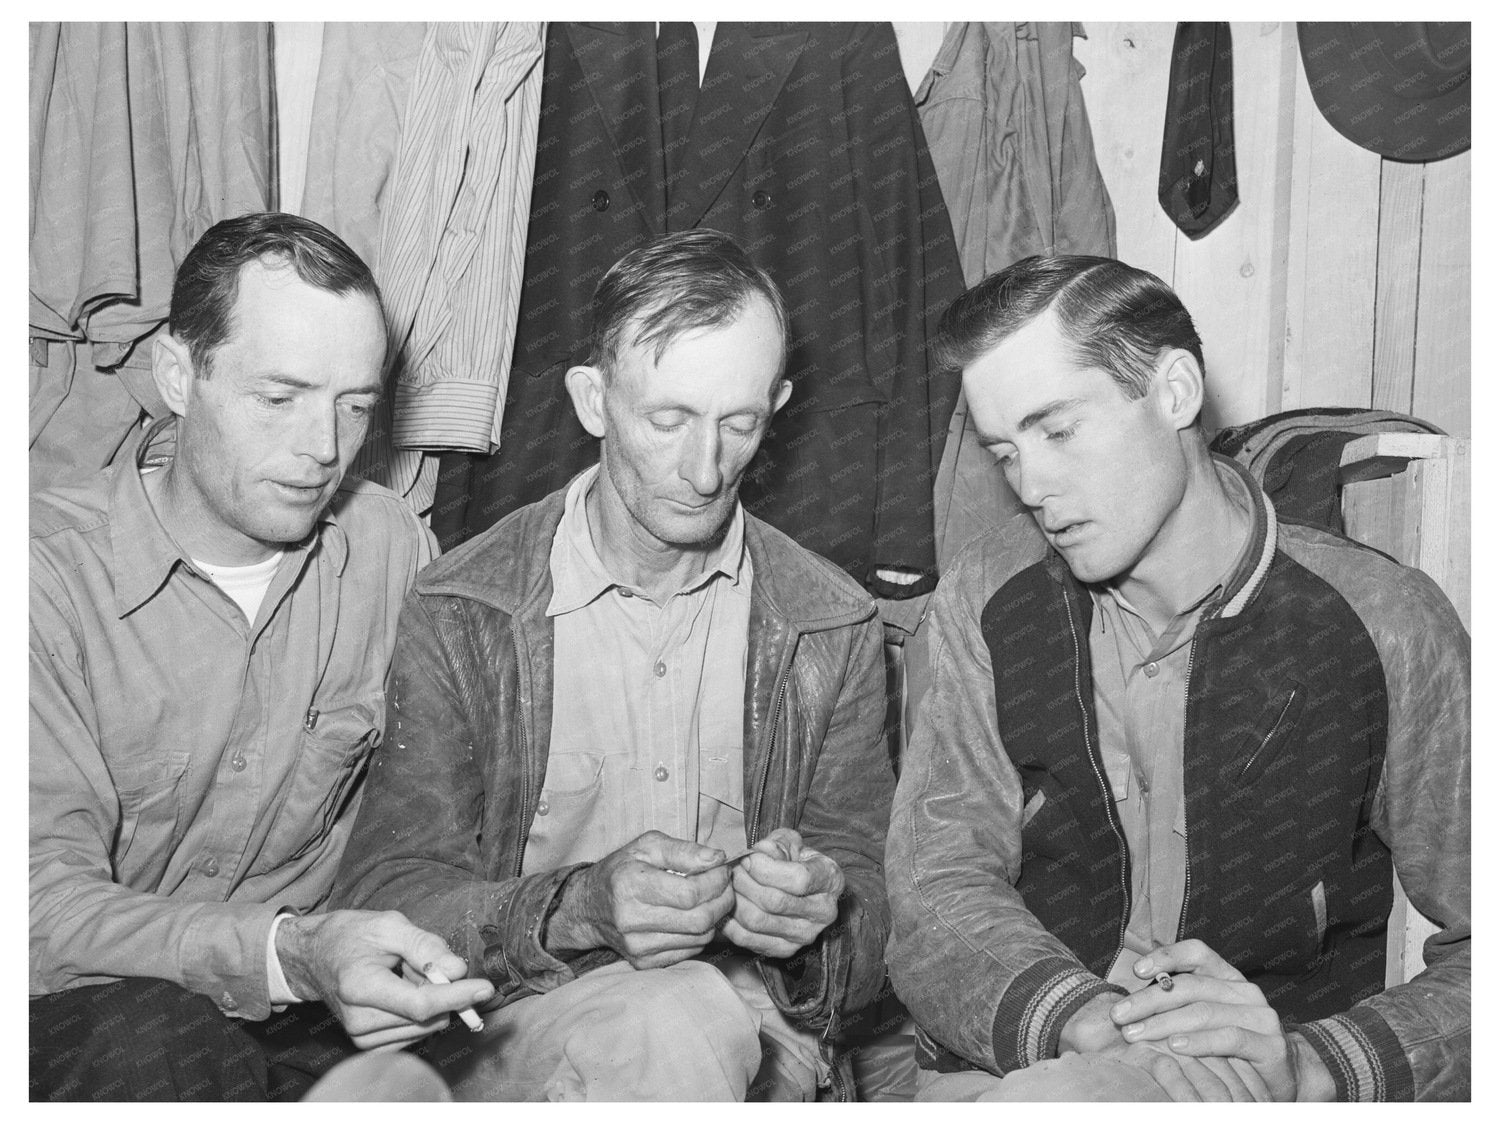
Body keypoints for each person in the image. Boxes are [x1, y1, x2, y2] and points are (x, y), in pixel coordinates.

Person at [885, 255, 1469, 1102]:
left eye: (1059, 431)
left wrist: (1317, 1065)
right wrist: (1090, 1022)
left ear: (1175, 391)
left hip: (1269, 1067)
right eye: (1005, 452)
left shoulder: (1388, 623)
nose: (1033, 488)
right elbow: (934, 887)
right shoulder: (985, 595)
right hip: (1020, 1055)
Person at [332, 229, 893, 1101]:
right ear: (593, 401)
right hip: (526, 1032)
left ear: (776, 404)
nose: (705, 471)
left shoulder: (831, 622)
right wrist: (580, 906)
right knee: (668, 1017)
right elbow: (388, 898)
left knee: (691, 1015)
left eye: (739, 424)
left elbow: (872, 930)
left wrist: (822, 914)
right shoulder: (464, 608)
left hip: (763, 1041)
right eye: (667, 420)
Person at [30, 212, 494, 1102]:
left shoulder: (393, 546)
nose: (323, 449)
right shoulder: (42, 582)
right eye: (279, 399)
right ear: (178, 374)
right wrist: (287, 953)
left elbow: (435, 821)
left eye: (355, 406)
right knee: (154, 1037)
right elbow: (37, 911)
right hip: (87, 1015)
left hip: (313, 1019)